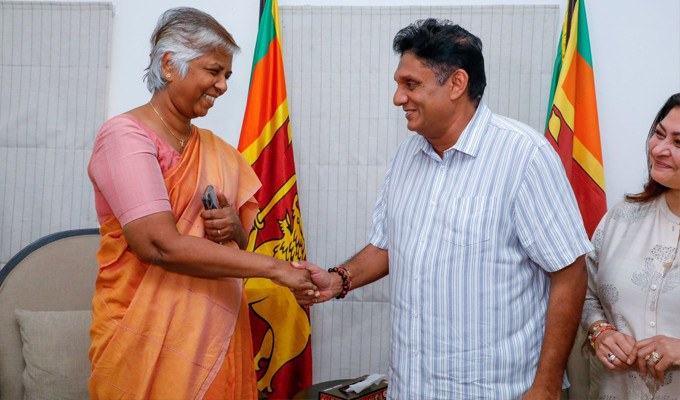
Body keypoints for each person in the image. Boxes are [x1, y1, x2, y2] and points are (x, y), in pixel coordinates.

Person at [293, 18, 592, 399]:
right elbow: (389, 245)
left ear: (456, 84)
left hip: (496, 391)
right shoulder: (406, 156)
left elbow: (570, 272)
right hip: (410, 387)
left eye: (411, 84)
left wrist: (546, 386)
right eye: (399, 84)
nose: (398, 98)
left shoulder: (524, 156)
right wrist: (338, 279)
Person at [87, 7, 315, 400]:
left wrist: (232, 227)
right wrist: (278, 270)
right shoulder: (124, 137)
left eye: (227, 75)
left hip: (216, 332)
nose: (222, 86)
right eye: (214, 71)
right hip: (143, 335)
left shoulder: (216, 150)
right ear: (169, 65)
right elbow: (159, 245)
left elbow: (241, 243)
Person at [581, 93, 680, 399]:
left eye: (679, 143)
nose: (659, 150)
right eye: (659, 134)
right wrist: (600, 331)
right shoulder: (623, 217)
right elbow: (585, 292)